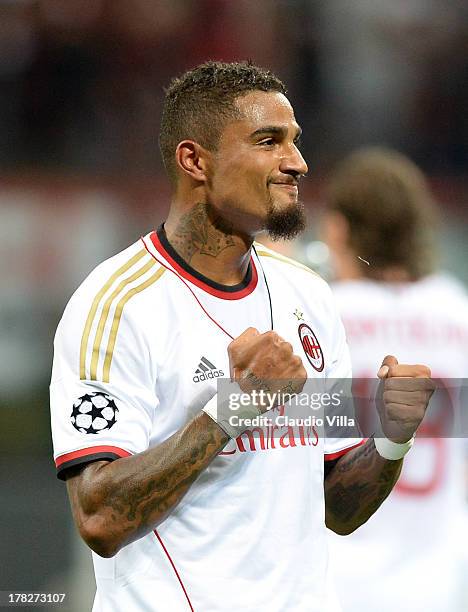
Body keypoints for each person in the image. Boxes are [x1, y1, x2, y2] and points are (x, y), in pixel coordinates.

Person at [50, 62, 434, 612]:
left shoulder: (309, 297)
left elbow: (338, 510)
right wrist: (233, 409)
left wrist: (393, 440)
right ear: (195, 161)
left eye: (295, 142)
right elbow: (99, 518)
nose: (297, 163)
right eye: (267, 141)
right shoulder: (117, 305)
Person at [323, 146, 468, 612]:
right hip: (441, 581)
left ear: (340, 228)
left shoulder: (322, 316)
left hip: (337, 578)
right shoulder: (458, 311)